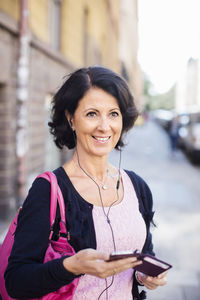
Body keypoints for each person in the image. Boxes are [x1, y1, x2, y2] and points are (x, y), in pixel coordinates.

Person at [5, 66, 167, 300]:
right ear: (71, 119)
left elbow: (144, 252)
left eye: (113, 113)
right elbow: (16, 281)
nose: (104, 126)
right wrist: (71, 266)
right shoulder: (48, 190)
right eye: (92, 113)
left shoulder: (137, 187)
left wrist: (145, 275)